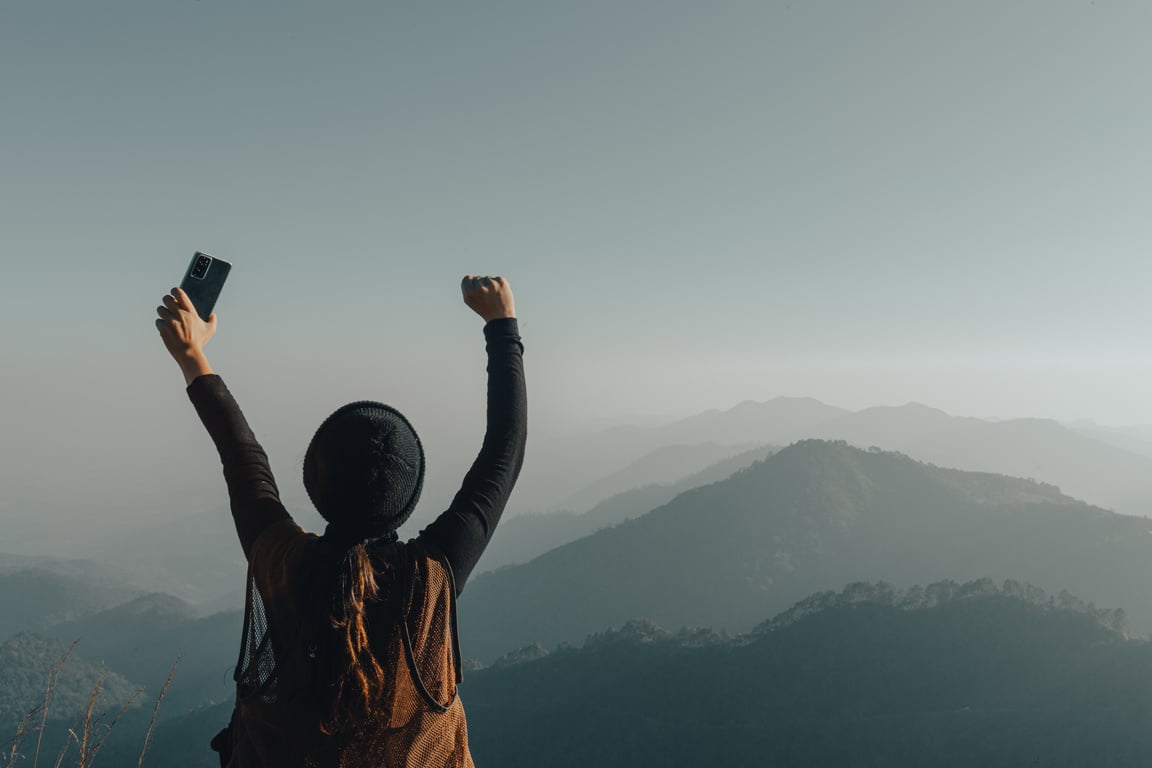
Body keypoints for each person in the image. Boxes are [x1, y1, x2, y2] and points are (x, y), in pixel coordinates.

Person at [155, 275, 526, 767]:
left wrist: (192, 354)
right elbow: (505, 452)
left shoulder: (282, 562)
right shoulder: (430, 576)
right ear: (407, 494)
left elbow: (244, 460)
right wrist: (502, 326)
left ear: (316, 481)